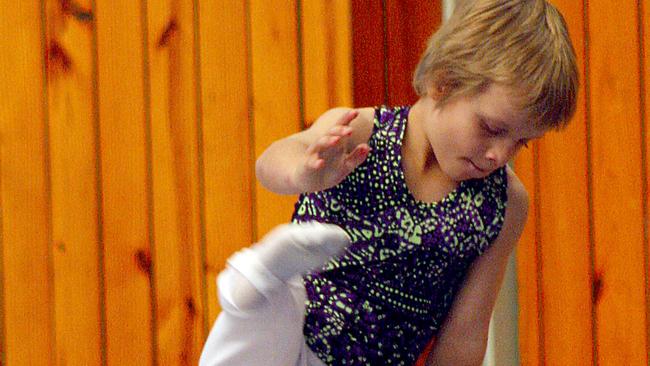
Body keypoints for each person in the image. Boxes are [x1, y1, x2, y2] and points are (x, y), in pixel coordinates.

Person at [200, 0, 578, 365]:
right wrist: (303, 171)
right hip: (293, 328)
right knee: (274, 311)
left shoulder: (503, 205)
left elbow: (465, 332)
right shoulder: (361, 132)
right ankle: (261, 277)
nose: (500, 154)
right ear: (443, 83)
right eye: (492, 128)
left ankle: (261, 284)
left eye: (520, 142)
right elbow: (269, 163)